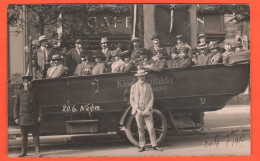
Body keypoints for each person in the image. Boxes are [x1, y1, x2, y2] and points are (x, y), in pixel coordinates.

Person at [130, 70, 163, 152]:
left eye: (143, 76)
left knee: (151, 127)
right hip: (138, 110)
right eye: (141, 76)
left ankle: (154, 145)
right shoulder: (134, 86)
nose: (142, 77)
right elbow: (132, 100)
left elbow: (152, 98)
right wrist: (137, 109)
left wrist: (148, 108)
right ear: (137, 77)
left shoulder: (148, 86)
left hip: (147, 109)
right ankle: (142, 146)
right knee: (140, 128)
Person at [13, 76, 43, 157]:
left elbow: (39, 105)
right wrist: (16, 117)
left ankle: (37, 151)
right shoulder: (19, 93)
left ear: (31, 83)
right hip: (23, 117)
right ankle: (23, 151)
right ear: (23, 84)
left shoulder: (35, 92)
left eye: (29, 82)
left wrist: (40, 115)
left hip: (33, 116)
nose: (27, 84)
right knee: (23, 135)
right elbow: (16, 106)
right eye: (25, 82)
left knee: (35, 134)